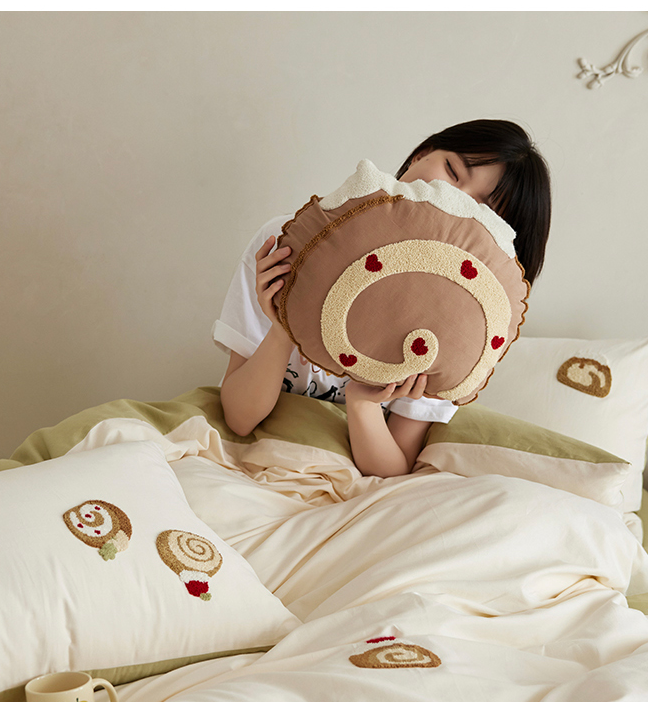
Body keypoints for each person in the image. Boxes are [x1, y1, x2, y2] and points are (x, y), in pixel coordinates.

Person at [214, 119, 551, 478]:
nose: (452, 197)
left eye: (483, 208)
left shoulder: (458, 326)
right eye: (452, 171)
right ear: (420, 155)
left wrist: (362, 403)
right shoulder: (289, 246)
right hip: (258, 459)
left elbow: (391, 470)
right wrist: (286, 323)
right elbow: (239, 418)